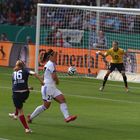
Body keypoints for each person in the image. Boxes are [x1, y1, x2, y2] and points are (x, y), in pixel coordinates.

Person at [27, 49, 77, 123]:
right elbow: (54, 77)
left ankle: (67, 117)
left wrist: (43, 81)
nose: (56, 57)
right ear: (50, 56)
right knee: (46, 106)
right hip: (48, 88)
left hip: (51, 87)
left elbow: (44, 75)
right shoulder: (51, 64)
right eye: (55, 56)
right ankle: (30, 117)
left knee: (62, 99)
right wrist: (57, 81)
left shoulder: (49, 64)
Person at [9, 60, 44, 133]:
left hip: (16, 94)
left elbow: (16, 86)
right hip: (25, 93)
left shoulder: (13, 74)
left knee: (20, 109)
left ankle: (26, 128)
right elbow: (34, 73)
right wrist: (42, 82)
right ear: (23, 65)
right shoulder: (25, 70)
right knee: (19, 103)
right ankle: (15, 114)